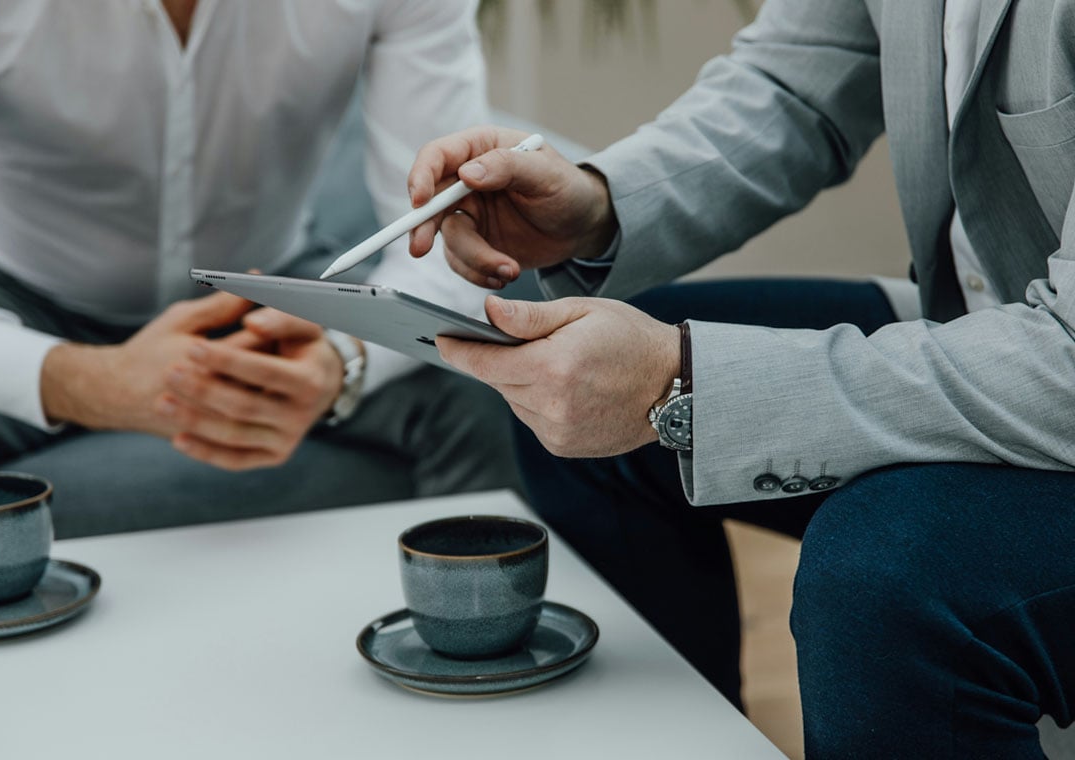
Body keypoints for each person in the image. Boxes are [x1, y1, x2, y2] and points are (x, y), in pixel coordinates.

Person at [405, 0, 1075, 756]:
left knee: (887, 578)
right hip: (987, 324)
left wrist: (683, 383)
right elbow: (797, 87)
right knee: (597, 435)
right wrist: (597, 208)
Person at [0, 0, 516, 560]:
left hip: (271, 295)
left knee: (483, 382)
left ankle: (472, 661)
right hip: (22, 298)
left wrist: (341, 360)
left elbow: (453, 245)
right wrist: (80, 381)